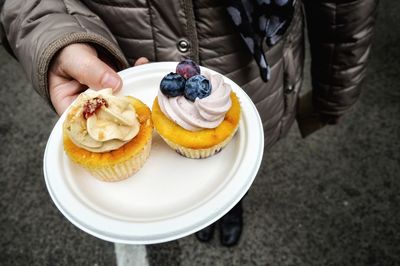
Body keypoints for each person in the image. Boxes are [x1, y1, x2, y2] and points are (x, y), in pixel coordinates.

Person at [0, 0, 378, 247]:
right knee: (194, 171)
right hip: (127, 63)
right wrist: (59, 39)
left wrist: (334, 93)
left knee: (232, 163)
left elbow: (344, 8)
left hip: (248, 76)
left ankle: (230, 205)